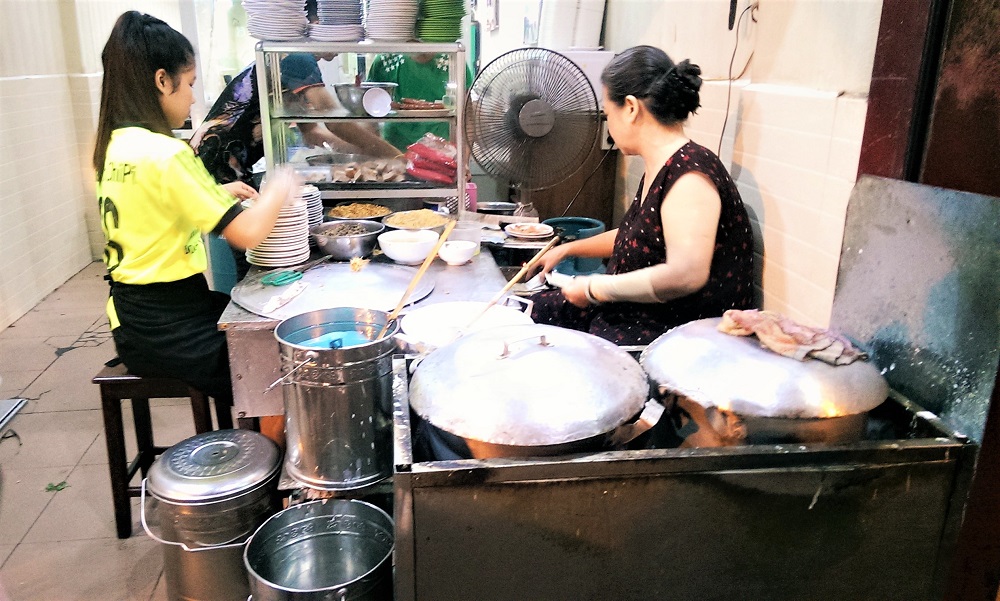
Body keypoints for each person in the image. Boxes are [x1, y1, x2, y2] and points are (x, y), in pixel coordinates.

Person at [93, 11, 299, 400]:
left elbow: (150, 208)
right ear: (161, 80)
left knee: (246, 318)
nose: (191, 96)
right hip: (171, 329)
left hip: (132, 320)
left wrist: (218, 194)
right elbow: (248, 233)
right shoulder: (166, 153)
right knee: (274, 365)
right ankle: (271, 455)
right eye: (188, 83)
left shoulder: (117, 145)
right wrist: (280, 184)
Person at [528, 45, 755, 346]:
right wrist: (567, 249)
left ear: (631, 108)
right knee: (532, 310)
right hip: (637, 314)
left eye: (609, 113)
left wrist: (595, 288)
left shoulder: (691, 176)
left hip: (674, 334)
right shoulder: (660, 165)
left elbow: (686, 274)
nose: (609, 126)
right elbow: (637, 236)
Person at [190, 51, 400, 188]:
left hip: (215, 159)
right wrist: (394, 155)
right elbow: (334, 119)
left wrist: (360, 153)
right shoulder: (298, 57)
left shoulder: (293, 60)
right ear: (317, 25)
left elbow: (312, 133)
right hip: (216, 161)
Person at [366, 52, 471, 150]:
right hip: (393, 149)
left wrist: (463, 160)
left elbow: (468, 116)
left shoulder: (452, 60)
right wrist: (375, 152)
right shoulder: (386, 60)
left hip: (442, 152)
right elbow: (368, 113)